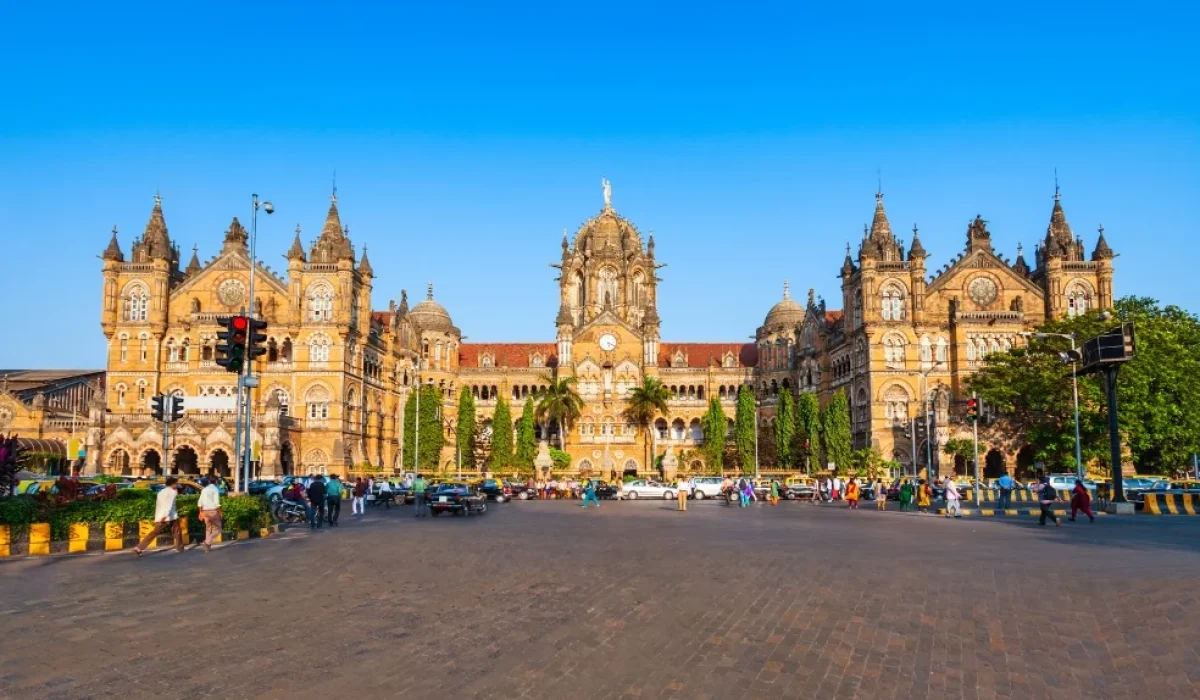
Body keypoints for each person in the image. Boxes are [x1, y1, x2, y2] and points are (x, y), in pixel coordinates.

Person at [134, 476, 184, 555]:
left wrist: (160, 516)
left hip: (161, 516)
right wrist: (165, 515)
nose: (177, 485)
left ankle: (139, 547)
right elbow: (169, 505)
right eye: (176, 483)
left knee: (154, 532)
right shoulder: (172, 492)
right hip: (170, 516)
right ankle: (180, 548)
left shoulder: (161, 492)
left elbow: (159, 505)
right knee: (177, 532)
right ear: (172, 484)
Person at [197, 476, 222, 552]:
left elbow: (200, 503)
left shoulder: (204, 489)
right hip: (213, 511)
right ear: (216, 481)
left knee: (208, 529)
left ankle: (207, 547)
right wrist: (220, 512)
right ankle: (207, 542)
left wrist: (200, 513)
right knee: (218, 529)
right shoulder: (215, 489)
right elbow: (216, 503)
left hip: (205, 511)